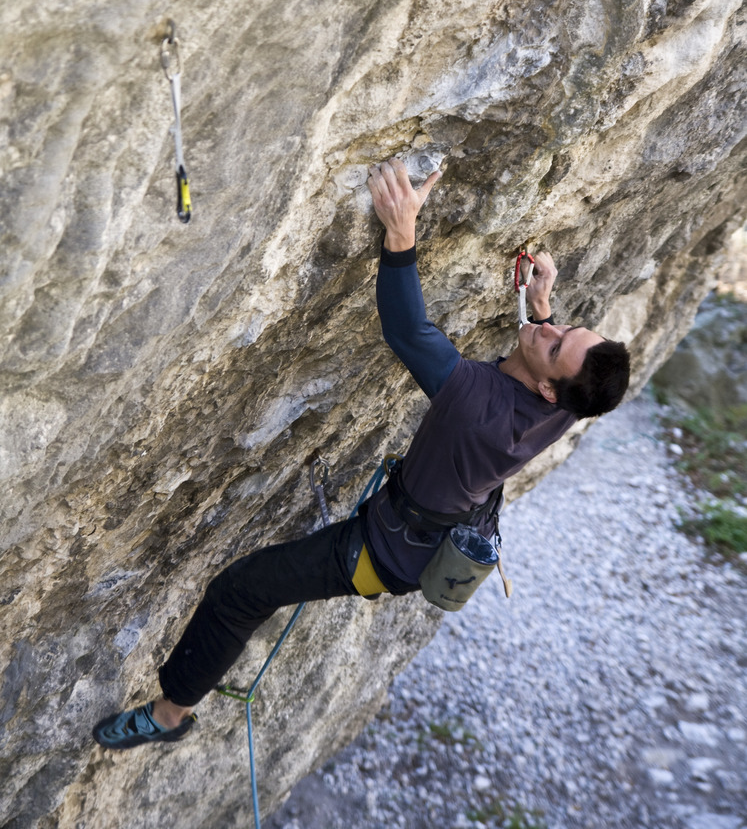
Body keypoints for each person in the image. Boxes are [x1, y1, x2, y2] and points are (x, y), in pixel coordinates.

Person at [93, 158, 630, 750]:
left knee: (238, 592)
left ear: (549, 388)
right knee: (248, 589)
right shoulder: (572, 401)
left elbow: (409, 332)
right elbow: (553, 353)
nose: (547, 329)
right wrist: (542, 302)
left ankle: (169, 717)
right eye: (564, 328)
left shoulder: (479, 408)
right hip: (431, 529)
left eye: (554, 344)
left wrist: (401, 233)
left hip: (384, 552)